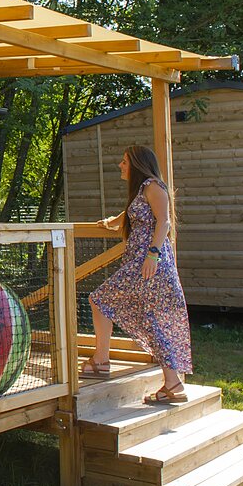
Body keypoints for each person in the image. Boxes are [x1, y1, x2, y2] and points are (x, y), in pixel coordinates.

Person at [82, 145, 193, 403]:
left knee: (100, 299)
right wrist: (114, 221)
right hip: (140, 262)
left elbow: (163, 221)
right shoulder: (142, 190)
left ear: (137, 164)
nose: (120, 166)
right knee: (149, 320)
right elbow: (137, 213)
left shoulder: (154, 186)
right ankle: (173, 385)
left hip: (149, 264)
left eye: (124, 162)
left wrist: (152, 254)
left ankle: (101, 360)